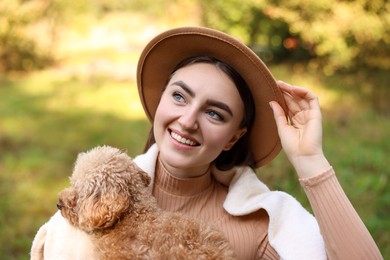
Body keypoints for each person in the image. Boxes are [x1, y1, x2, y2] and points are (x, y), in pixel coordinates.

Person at [31, 27, 383, 259]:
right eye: (180, 97)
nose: (188, 120)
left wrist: (311, 162)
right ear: (160, 102)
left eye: (215, 113)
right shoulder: (102, 195)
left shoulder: (259, 223)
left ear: (234, 136)